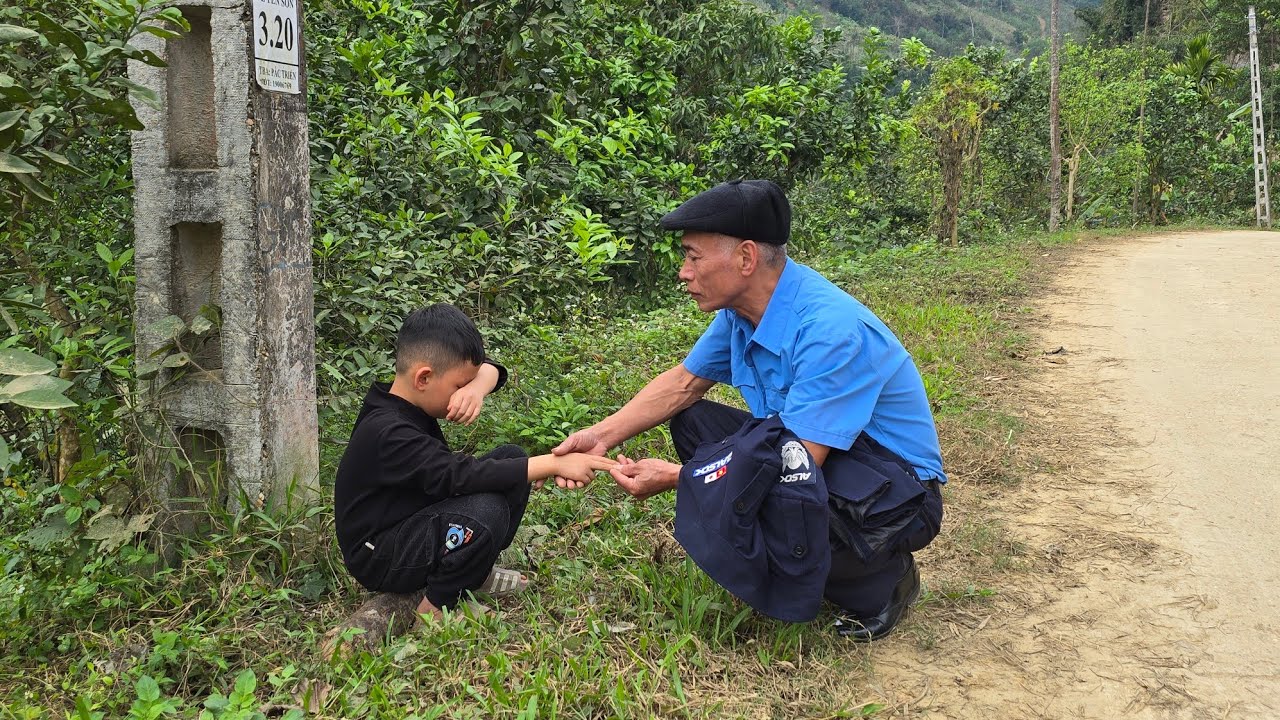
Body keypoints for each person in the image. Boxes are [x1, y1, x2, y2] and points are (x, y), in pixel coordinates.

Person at [553, 180, 945, 640]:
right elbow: (683, 385)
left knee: (779, 489)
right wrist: (600, 437)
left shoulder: (829, 330)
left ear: (745, 258)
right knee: (695, 424)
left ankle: (885, 580)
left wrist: (685, 478)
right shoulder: (741, 313)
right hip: (824, 456)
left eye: (693, 257)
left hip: (897, 493)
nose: (683, 272)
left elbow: (799, 466)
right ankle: (790, 560)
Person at [335, 303, 616, 618]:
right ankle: (436, 609)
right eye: (460, 386)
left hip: (413, 517)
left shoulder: (402, 398)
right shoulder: (387, 431)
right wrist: (553, 464)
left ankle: (473, 572)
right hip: (380, 555)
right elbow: (459, 475)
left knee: (511, 457)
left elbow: (491, 369)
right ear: (423, 378)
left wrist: (478, 388)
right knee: (486, 511)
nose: (464, 393)